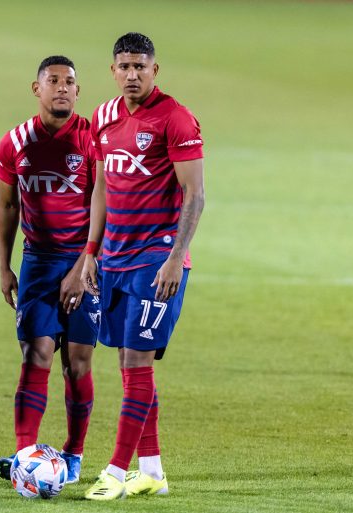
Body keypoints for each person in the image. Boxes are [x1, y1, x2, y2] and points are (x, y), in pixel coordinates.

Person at [80, 32, 205, 500]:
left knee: (137, 361)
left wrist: (175, 259)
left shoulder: (175, 118)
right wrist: (90, 252)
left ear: (156, 70)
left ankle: (114, 471)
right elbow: (101, 189)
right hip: (113, 258)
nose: (132, 75)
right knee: (131, 368)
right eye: (124, 67)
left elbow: (195, 193)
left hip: (156, 262)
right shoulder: (104, 117)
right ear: (113, 70)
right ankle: (151, 470)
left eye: (141, 67)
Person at [0, 56, 99, 485]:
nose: (61, 88)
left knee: (77, 361)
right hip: (37, 261)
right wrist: (4, 266)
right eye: (52, 81)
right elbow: (6, 206)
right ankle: (25, 456)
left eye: (69, 82)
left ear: (78, 91)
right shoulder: (15, 142)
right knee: (35, 352)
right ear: (35, 89)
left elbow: (104, 207)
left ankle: (72, 458)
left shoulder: (94, 141)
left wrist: (83, 265)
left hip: (87, 260)